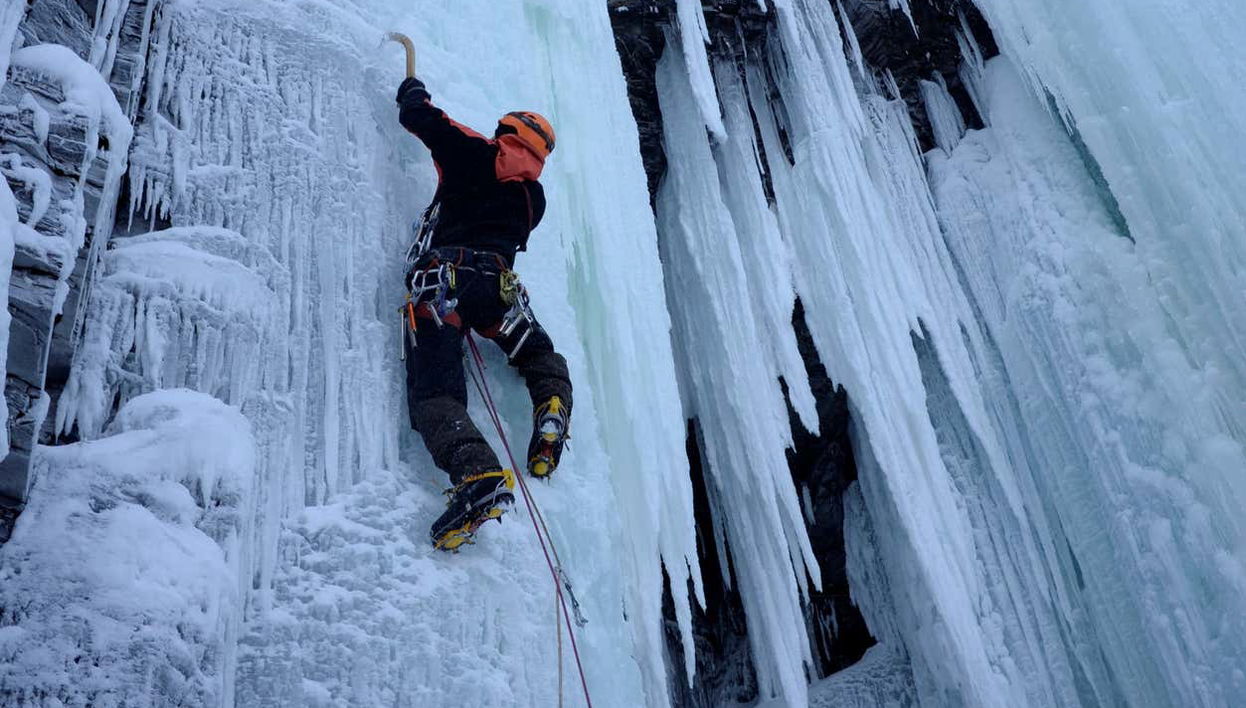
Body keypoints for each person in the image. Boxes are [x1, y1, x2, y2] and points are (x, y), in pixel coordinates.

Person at [395, 76, 572, 552]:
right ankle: (551, 405)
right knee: (538, 352)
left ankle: (477, 473)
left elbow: (424, 122)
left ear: (504, 131)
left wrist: (413, 93)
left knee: (435, 392)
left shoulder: (474, 152)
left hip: (445, 283)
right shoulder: (534, 198)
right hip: (497, 291)